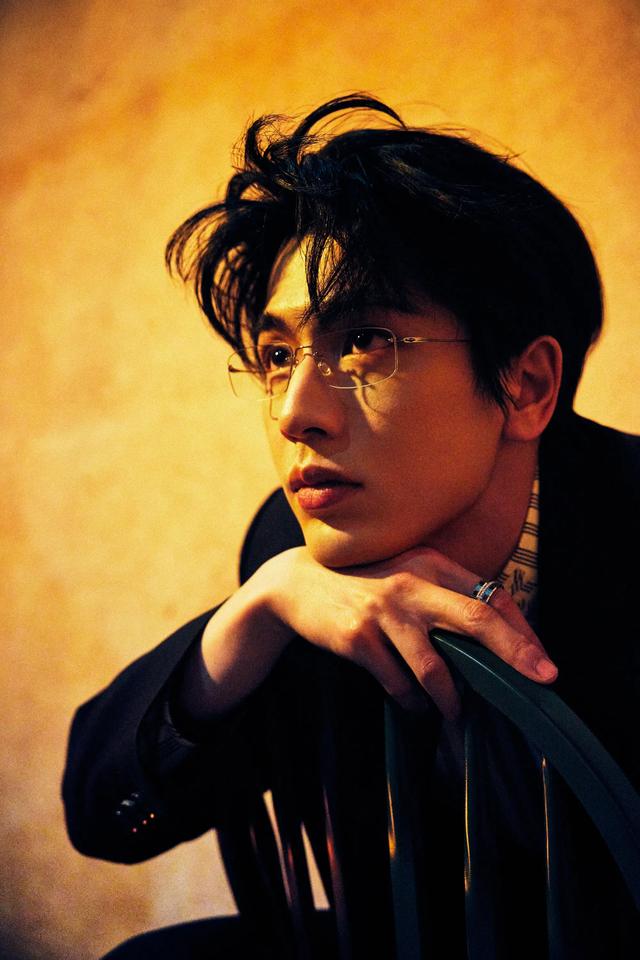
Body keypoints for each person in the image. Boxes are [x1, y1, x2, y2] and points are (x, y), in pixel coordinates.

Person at [62, 95, 640, 958]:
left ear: (525, 387)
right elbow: (104, 818)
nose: (295, 413)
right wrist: (256, 611)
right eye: (276, 356)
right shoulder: (294, 548)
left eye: (365, 340)